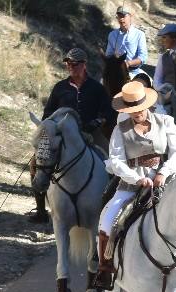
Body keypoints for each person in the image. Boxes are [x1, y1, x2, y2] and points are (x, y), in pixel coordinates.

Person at [95, 80, 176, 291]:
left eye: (140, 109)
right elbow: (116, 160)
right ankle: (105, 268)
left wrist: (164, 172)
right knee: (108, 220)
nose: (137, 113)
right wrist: (136, 179)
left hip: (164, 179)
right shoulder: (120, 129)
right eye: (132, 110)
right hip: (132, 183)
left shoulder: (166, 122)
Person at [32, 48, 113, 224]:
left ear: (84, 65)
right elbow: (48, 113)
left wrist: (98, 121)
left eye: (74, 64)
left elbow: (108, 111)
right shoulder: (60, 87)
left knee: (111, 162)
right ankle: (41, 210)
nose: (70, 67)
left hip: (91, 133)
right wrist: (49, 127)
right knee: (36, 162)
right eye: (68, 64)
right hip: (62, 135)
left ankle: (108, 205)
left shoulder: (97, 88)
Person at [106, 7, 149, 79]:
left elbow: (143, 57)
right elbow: (108, 54)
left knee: (150, 83)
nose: (121, 19)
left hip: (134, 72)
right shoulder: (112, 35)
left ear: (130, 16)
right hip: (115, 71)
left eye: (124, 16)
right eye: (119, 16)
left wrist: (128, 63)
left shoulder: (139, 34)